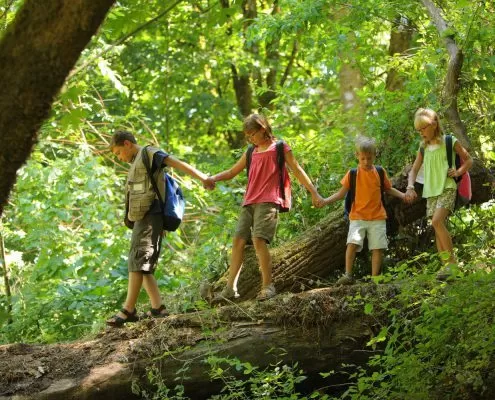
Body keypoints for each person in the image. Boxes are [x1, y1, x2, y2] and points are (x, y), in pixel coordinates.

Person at [205, 113, 324, 301]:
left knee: (259, 239)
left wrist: (314, 192)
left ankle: (268, 286)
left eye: (252, 134)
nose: (250, 138)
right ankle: (230, 288)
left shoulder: (280, 147)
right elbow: (231, 172)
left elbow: (297, 170)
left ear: (263, 129)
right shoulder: (251, 152)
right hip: (249, 201)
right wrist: (213, 178)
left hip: (269, 199)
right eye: (247, 136)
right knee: (238, 241)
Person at [107, 130, 214, 326]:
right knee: (141, 262)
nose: (120, 158)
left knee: (139, 259)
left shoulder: (149, 154)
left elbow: (177, 163)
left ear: (127, 144)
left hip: (150, 216)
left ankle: (128, 310)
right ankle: (158, 308)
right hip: (142, 218)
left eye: (118, 153)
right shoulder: (137, 162)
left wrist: (203, 178)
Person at [322, 136, 406, 284]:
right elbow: (341, 194)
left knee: (377, 248)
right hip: (357, 217)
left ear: (374, 155)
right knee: (352, 244)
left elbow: (388, 189)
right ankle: (348, 275)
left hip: (377, 217)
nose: (366, 162)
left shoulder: (379, 172)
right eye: (363, 159)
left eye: (369, 158)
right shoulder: (353, 174)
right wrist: (324, 201)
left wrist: (404, 195)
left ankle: (375, 279)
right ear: (357, 156)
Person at [405, 108, 472, 280]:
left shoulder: (449, 141)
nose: (421, 133)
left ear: (434, 124)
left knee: (437, 221)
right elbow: (413, 171)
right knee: (436, 227)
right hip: (431, 192)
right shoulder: (423, 148)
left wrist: (458, 172)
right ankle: (446, 269)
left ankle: (453, 266)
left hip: (447, 187)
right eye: (418, 130)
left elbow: (469, 160)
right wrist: (410, 186)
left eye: (423, 128)